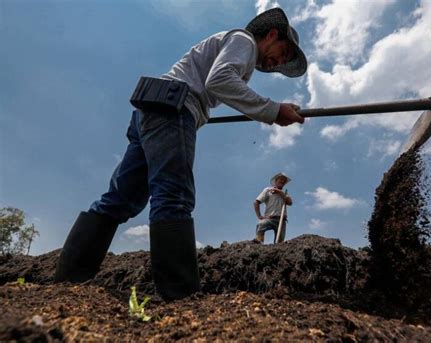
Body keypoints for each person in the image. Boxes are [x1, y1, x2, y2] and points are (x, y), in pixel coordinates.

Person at [54, 8, 307, 301]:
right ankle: (180, 296)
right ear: (272, 35)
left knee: (122, 199)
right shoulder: (245, 41)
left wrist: (201, 112)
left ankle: (67, 280)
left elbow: (212, 85)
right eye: (283, 52)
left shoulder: (233, 45)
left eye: (284, 61)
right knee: (174, 196)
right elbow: (220, 80)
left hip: (151, 110)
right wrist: (274, 110)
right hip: (172, 110)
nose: (279, 61)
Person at [254, 172, 293, 244]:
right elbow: (256, 202)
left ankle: (276, 251)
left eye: (284, 180)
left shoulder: (285, 193)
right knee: (261, 225)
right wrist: (259, 216)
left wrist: (280, 192)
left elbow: (290, 202)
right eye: (281, 179)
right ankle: (259, 244)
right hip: (269, 218)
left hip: (282, 219)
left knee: (279, 242)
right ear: (276, 180)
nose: (282, 181)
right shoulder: (268, 190)